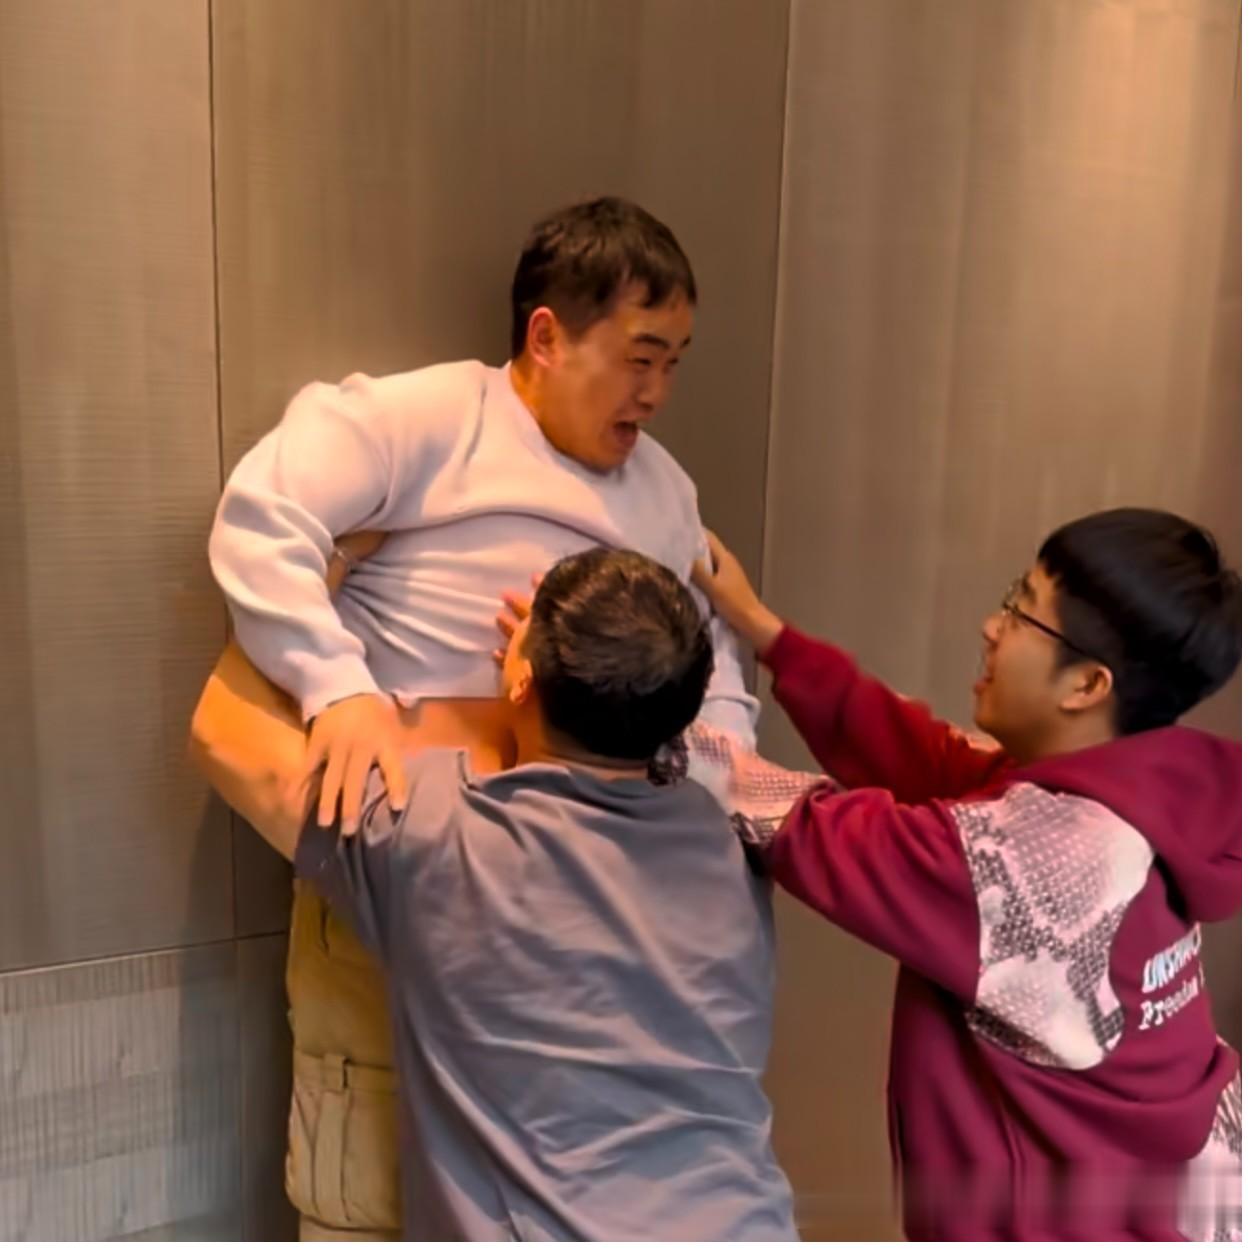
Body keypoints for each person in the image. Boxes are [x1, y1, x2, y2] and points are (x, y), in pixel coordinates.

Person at [193, 196, 763, 1239]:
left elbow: (712, 657)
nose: (657, 392)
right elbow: (263, 523)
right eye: (640, 358)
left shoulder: (665, 493)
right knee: (373, 1176)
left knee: (554, 1169)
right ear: (546, 336)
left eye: (675, 363)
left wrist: (713, 793)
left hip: (595, 895)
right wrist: (336, 686)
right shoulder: (414, 424)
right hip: (400, 842)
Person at [693, 508, 1242, 1240]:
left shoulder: (1055, 859)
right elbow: (936, 763)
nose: (991, 626)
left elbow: (815, 832)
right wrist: (766, 633)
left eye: (1022, 612)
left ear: (1086, 684)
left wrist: (635, 710)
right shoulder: (1145, 791)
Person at [223, 547, 799, 1241]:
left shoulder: (435, 830)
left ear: (522, 678)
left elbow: (223, 732)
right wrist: (587, 660)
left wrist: (323, 598)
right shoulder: (731, 844)